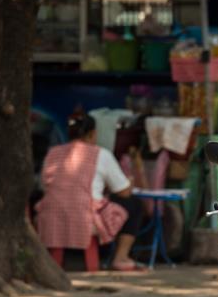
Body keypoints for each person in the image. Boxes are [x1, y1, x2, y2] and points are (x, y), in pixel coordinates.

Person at [36, 114, 145, 271]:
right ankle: (121, 258)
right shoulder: (101, 154)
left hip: (51, 214)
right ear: (92, 133)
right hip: (84, 217)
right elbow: (124, 192)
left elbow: (43, 186)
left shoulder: (52, 153)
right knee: (133, 203)